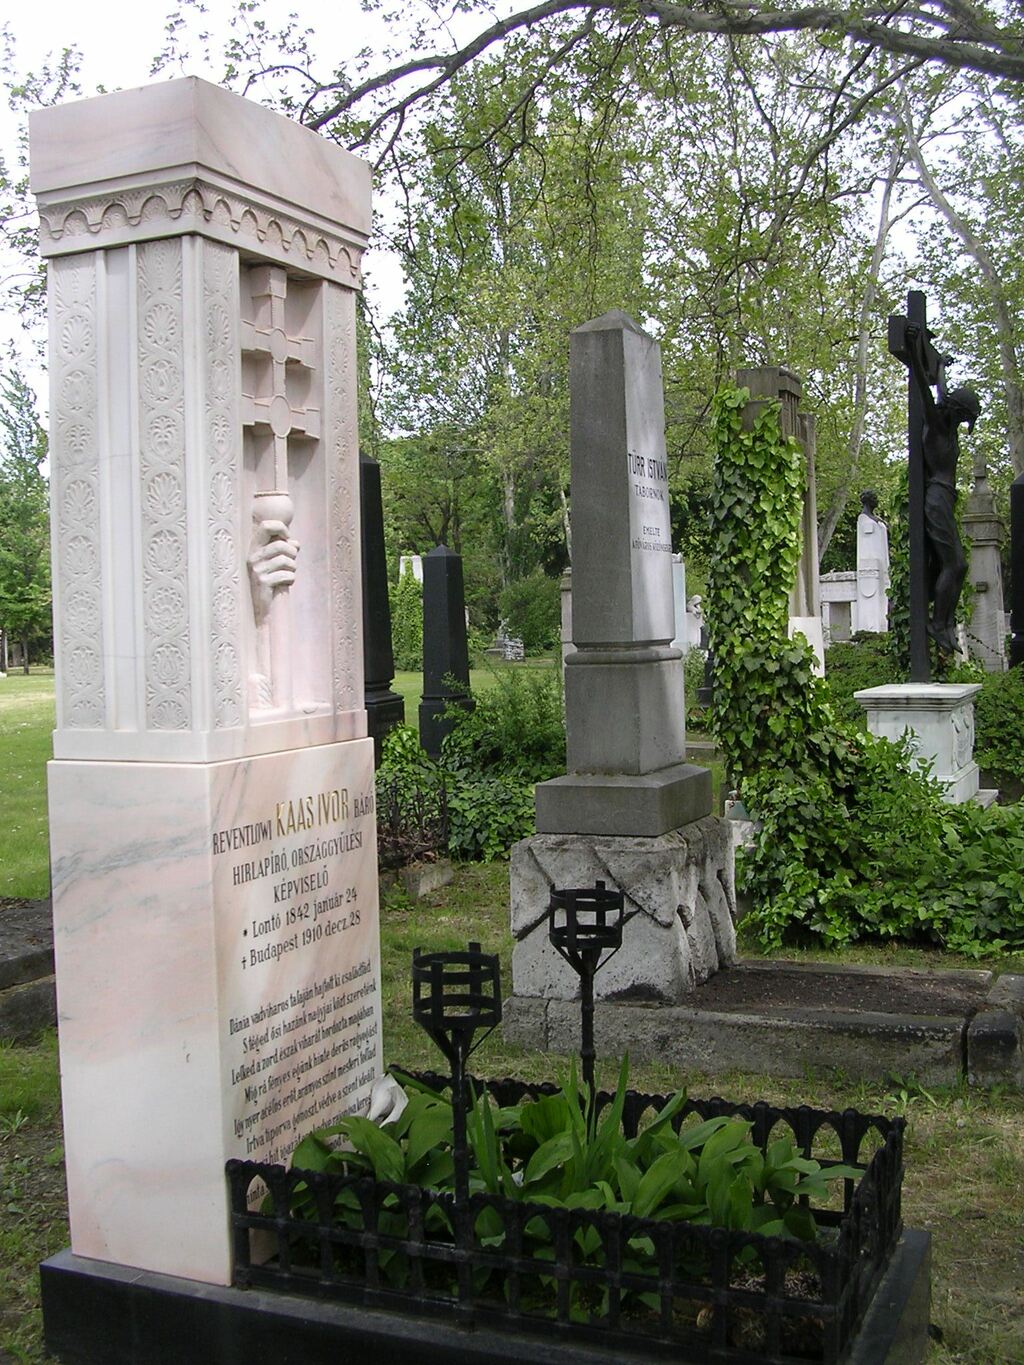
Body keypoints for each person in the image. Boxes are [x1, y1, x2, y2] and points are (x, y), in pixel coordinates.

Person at [905, 324, 980, 657]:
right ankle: (939, 624)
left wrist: (942, 366)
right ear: (958, 412)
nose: (966, 423)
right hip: (936, 498)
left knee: (955, 565)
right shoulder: (936, 426)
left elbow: (940, 391)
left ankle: (945, 624)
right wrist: (913, 349)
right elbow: (926, 390)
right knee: (956, 565)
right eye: (966, 417)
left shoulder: (948, 427)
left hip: (945, 498)